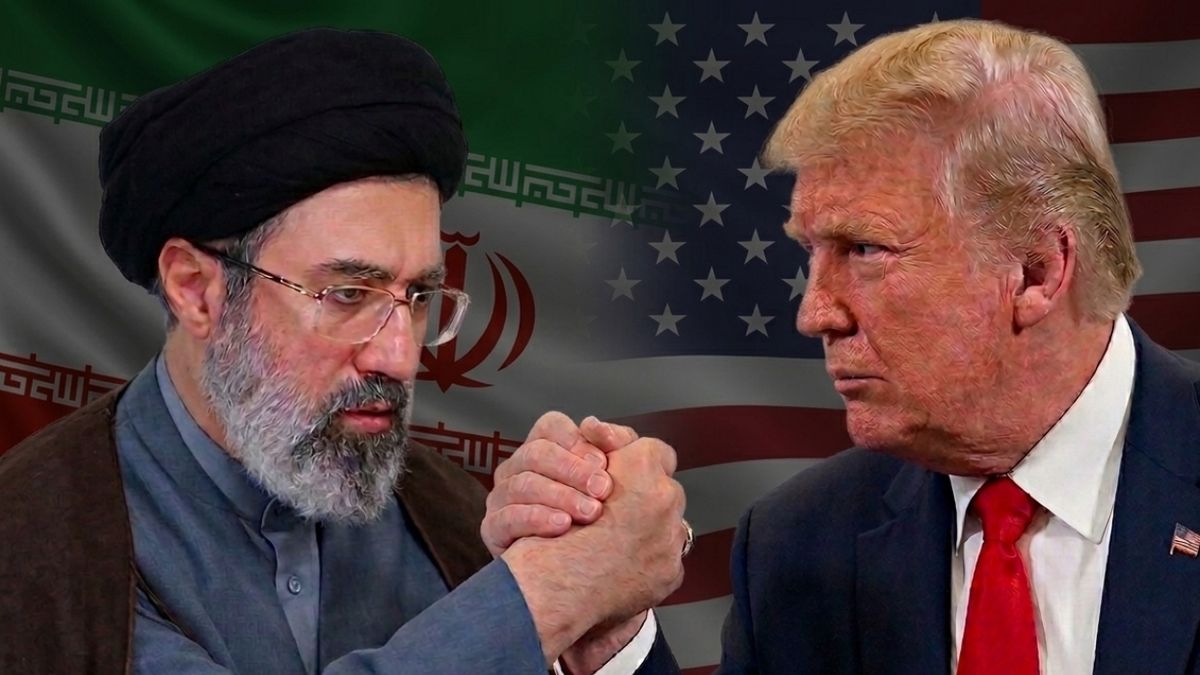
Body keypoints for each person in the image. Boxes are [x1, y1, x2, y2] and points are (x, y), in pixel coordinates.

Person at [486, 17, 1200, 675]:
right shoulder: (801, 544)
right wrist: (607, 635)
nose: (815, 313)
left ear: (1036, 272)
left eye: (865, 249)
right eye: (813, 252)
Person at [0, 28, 686, 674]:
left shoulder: (448, 512)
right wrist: (549, 594)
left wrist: (603, 629)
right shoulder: (32, 541)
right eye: (349, 294)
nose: (399, 357)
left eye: (419, 296)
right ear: (197, 290)